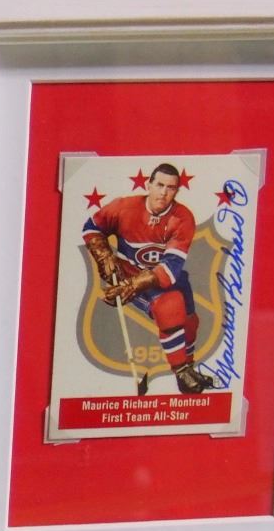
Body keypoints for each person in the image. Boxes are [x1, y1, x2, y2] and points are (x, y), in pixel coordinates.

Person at [81, 162, 217, 395]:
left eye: (171, 188)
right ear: (149, 184)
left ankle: (188, 368)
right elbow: (91, 227)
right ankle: (181, 372)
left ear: (177, 191)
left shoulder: (182, 217)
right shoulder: (124, 207)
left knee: (191, 322)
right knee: (170, 306)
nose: (164, 192)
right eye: (159, 185)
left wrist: (133, 286)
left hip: (162, 275)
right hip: (131, 271)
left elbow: (170, 268)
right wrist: (103, 255)